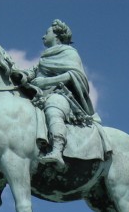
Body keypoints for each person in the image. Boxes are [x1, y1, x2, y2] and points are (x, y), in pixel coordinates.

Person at [11, 19, 96, 170]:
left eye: (47, 33)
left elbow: (76, 75)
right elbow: (33, 72)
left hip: (61, 95)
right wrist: (21, 75)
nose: (43, 36)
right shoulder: (44, 57)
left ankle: (57, 150)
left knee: (53, 107)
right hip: (38, 96)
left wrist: (46, 82)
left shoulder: (69, 52)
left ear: (57, 35)